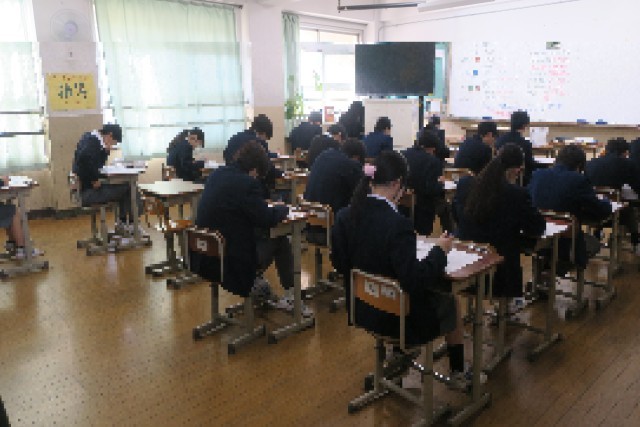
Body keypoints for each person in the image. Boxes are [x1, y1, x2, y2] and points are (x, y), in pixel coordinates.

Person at [331, 150, 475, 387]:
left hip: (362, 307)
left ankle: (398, 354)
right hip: (397, 317)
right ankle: (458, 371)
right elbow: (415, 281)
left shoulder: (345, 215)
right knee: (450, 300)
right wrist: (440, 251)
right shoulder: (398, 224)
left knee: (395, 283)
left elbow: (339, 263)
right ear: (397, 184)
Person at [193, 141, 311, 316]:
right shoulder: (247, 183)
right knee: (280, 240)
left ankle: (257, 283)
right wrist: (284, 208)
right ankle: (292, 296)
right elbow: (266, 219)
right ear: (254, 170)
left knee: (253, 234)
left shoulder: (217, 174)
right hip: (230, 261)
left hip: (205, 255)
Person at [453, 143, 545, 299]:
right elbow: (536, 228)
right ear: (517, 170)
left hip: (464, 262)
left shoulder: (465, 184)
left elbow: (456, 216)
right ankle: (505, 309)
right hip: (499, 270)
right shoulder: (516, 194)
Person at [529, 145, 611, 271]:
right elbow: (601, 210)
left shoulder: (537, 174)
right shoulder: (579, 180)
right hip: (568, 244)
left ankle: (547, 270)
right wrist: (606, 201)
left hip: (538, 238)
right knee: (594, 243)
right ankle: (559, 270)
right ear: (580, 166)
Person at [75, 124, 141, 230]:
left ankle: (124, 222)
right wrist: (94, 179)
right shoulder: (93, 142)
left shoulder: (89, 137)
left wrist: (106, 151)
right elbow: (84, 159)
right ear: (110, 135)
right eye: (114, 142)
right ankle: (131, 223)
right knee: (129, 187)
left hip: (83, 190)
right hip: (88, 193)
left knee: (125, 187)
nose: (112, 145)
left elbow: (97, 164)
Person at [585, 137, 640, 252]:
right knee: (630, 210)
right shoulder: (627, 164)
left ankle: (597, 234)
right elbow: (636, 185)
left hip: (591, 209)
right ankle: (635, 241)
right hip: (613, 211)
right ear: (625, 152)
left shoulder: (591, 163)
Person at [223, 114, 282, 198]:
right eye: (266, 138)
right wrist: (282, 173)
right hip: (250, 188)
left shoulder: (234, 138)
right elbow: (267, 167)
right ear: (264, 133)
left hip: (229, 185)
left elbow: (226, 155)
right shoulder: (258, 142)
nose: (265, 141)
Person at [401, 130, 445, 236]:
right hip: (423, 211)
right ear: (432, 148)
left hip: (402, 206)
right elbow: (431, 189)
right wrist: (441, 184)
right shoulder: (433, 161)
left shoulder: (402, 154)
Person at [304, 138, 365, 214]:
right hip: (331, 214)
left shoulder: (324, 155)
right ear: (357, 157)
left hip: (309, 210)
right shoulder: (351, 165)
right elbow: (362, 193)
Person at [495, 110, 535, 185]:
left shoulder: (499, 140)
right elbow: (530, 165)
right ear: (524, 126)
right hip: (519, 181)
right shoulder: (525, 143)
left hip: (499, 178)